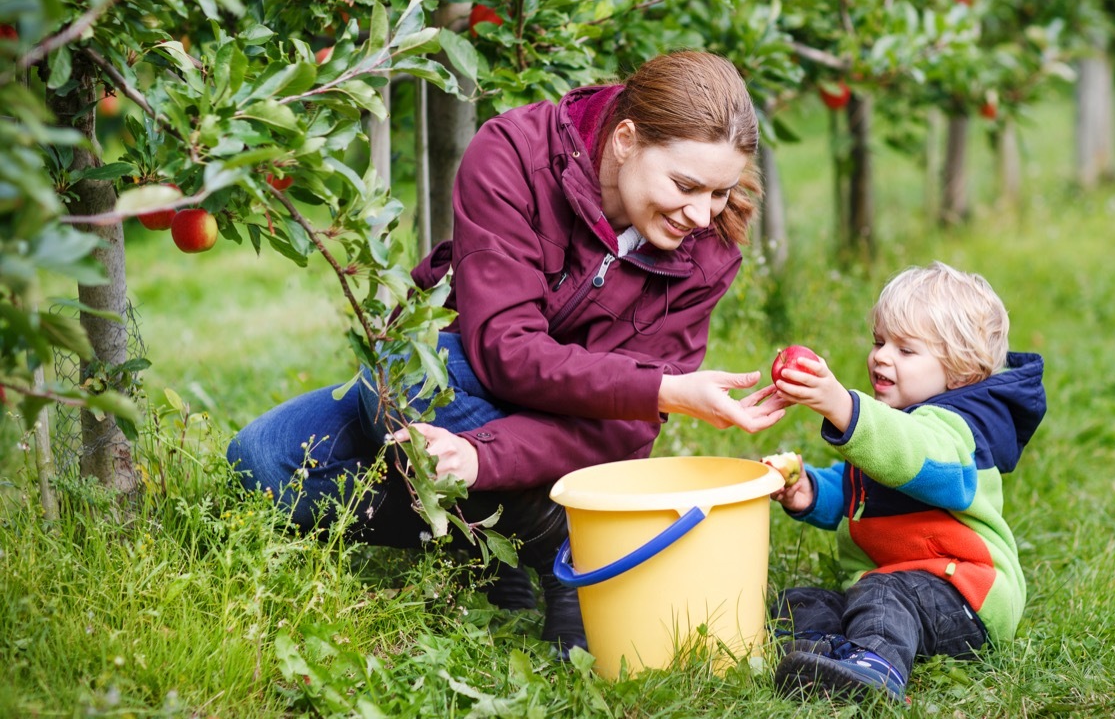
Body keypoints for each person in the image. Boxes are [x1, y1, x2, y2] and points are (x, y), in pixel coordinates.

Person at [227, 50, 789, 659]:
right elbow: (503, 348)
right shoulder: (515, 154)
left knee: (400, 392)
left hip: (570, 436)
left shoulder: (704, 251)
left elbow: (620, 433)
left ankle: (537, 541)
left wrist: (483, 455)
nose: (701, 214)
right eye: (685, 186)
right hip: (469, 381)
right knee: (270, 457)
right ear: (626, 139)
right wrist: (657, 389)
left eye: (719, 192)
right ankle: (531, 541)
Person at [764, 261, 1046, 703]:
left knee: (881, 594)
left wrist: (845, 407)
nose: (881, 356)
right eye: (879, 342)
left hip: (966, 596)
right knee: (803, 600)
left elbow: (914, 458)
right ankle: (824, 657)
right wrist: (811, 492)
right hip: (899, 586)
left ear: (959, 372)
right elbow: (866, 486)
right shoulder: (897, 426)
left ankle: (874, 670)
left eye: (906, 350)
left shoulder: (960, 431)